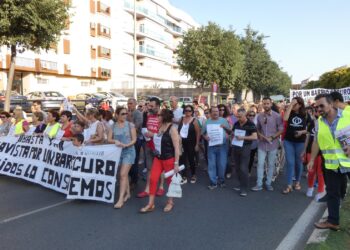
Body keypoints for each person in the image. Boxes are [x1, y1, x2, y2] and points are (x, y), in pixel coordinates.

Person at [308, 93, 350, 231]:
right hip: (331, 164)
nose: (319, 109)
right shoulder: (318, 121)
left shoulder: (347, 116)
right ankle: (333, 222)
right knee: (332, 193)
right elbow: (316, 141)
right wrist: (312, 159)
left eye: (322, 105)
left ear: (331, 104)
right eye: (317, 106)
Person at [139, 109, 180, 213]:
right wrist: (151, 135)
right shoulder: (159, 126)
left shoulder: (172, 129)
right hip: (158, 158)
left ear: (164, 116)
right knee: (153, 179)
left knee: (170, 182)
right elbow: (158, 137)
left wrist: (176, 163)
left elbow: (177, 148)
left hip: (169, 159)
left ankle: (170, 202)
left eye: (159, 115)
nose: (157, 117)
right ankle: (150, 204)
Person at [251, 97, 284, 192]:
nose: (266, 105)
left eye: (267, 103)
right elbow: (257, 128)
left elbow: (281, 129)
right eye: (264, 103)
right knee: (260, 164)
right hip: (261, 144)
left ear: (271, 104)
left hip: (273, 144)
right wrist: (259, 135)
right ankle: (259, 184)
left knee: (270, 165)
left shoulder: (277, 116)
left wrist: (273, 137)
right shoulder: (259, 116)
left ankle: (268, 183)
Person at [108, 107, 137, 209]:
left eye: (126, 113)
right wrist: (115, 142)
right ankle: (127, 193)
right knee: (124, 175)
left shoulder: (130, 125)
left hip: (129, 151)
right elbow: (109, 139)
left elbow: (134, 140)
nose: (125, 115)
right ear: (116, 115)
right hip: (117, 152)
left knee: (122, 174)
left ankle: (120, 200)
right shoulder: (112, 126)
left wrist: (127, 145)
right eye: (122, 114)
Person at [137, 97, 165, 198]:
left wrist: (153, 135)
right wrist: (146, 135)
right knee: (149, 168)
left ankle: (161, 187)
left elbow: (165, 130)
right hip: (148, 144)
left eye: (152, 106)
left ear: (158, 106)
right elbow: (143, 127)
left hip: (159, 145)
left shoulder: (163, 115)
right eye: (149, 105)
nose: (149, 107)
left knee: (161, 168)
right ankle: (147, 189)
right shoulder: (146, 114)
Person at [282, 97, 308, 194]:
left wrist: (301, 132)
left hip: (300, 142)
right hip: (288, 141)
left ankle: (297, 181)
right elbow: (285, 118)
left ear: (300, 105)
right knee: (290, 162)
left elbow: (309, 128)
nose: (293, 106)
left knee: (298, 163)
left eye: (295, 104)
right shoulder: (290, 112)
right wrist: (291, 105)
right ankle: (289, 185)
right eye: (292, 104)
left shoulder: (305, 114)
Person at [202, 106, 231, 189]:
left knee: (222, 164)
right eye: (214, 111)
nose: (215, 113)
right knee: (212, 165)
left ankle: (222, 180)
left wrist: (225, 127)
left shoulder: (224, 120)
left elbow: (229, 131)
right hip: (211, 147)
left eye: (217, 111)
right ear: (210, 113)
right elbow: (203, 133)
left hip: (222, 146)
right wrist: (205, 137)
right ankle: (213, 182)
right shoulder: (207, 122)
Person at [232, 108, 257, 197]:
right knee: (237, 168)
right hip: (236, 147)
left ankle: (244, 188)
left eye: (240, 116)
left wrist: (243, 138)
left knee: (243, 168)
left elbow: (254, 137)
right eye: (237, 116)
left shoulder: (251, 124)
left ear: (245, 115)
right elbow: (233, 133)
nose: (238, 118)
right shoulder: (236, 123)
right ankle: (240, 183)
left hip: (245, 147)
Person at [304, 107, 325, 201]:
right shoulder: (312, 123)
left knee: (320, 172)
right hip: (310, 150)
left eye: (319, 111)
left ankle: (320, 192)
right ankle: (310, 187)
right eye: (316, 111)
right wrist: (304, 150)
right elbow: (308, 138)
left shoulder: (326, 123)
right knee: (311, 171)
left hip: (322, 151)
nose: (318, 113)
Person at [178, 105, 201, 184]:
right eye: (186, 110)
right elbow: (178, 130)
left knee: (191, 159)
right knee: (182, 159)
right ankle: (184, 175)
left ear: (192, 112)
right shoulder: (181, 119)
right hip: (182, 143)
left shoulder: (194, 120)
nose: (187, 112)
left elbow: (198, 133)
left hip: (191, 143)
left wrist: (197, 144)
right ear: (184, 111)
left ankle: (193, 175)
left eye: (189, 111)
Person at [127, 98, 143, 187]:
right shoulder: (125, 113)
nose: (129, 105)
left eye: (131, 103)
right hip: (126, 140)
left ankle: (134, 181)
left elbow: (136, 127)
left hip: (136, 140)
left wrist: (129, 118)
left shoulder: (138, 114)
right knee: (127, 161)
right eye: (128, 103)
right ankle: (129, 178)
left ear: (135, 104)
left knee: (134, 161)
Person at [247, 110, 258, 174]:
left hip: (254, 143)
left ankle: (249, 171)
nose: (251, 117)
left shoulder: (256, 123)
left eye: (253, 115)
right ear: (247, 116)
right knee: (245, 158)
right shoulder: (244, 122)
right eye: (250, 115)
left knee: (251, 158)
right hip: (245, 143)